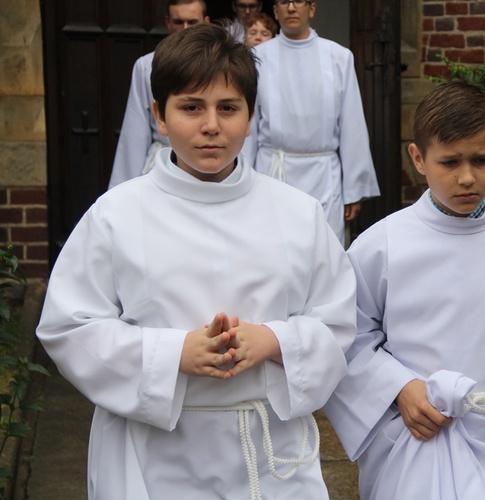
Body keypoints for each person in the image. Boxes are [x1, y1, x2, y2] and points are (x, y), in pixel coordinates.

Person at [37, 23, 356, 500]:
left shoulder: (297, 213)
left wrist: (273, 339)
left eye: (229, 108)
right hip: (153, 454)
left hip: (268, 454)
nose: (212, 125)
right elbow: (69, 327)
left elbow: (338, 322)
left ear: (251, 117)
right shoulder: (117, 215)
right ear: (159, 117)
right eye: (191, 107)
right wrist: (172, 355)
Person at [323, 80, 485, 500]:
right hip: (421, 438)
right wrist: (399, 389)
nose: (467, 177)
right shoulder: (382, 245)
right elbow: (345, 337)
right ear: (419, 158)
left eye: (482, 160)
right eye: (449, 162)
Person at [242, 0, 380, 245]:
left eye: (299, 2)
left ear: (312, 9)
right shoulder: (258, 57)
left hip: (323, 173)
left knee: (323, 249)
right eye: (284, 2)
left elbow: (352, 123)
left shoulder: (338, 56)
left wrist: (353, 188)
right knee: (272, 246)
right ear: (276, 11)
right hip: (273, 170)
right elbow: (248, 124)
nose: (292, 8)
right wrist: (242, 175)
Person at [108, 0, 210, 189]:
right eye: (179, 22)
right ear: (168, 22)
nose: (185, 29)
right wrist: (121, 189)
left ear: (206, 21)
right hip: (162, 163)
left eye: (192, 22)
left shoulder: (218, 67)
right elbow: (135, 130)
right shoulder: (147, 66)